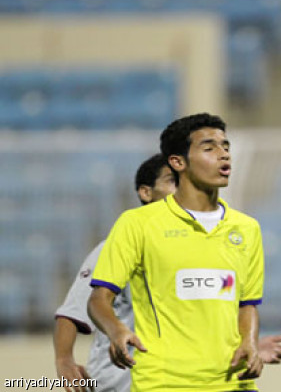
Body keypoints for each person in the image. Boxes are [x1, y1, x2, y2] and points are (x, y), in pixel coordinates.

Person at [54, 154, 281, 392]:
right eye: (172, 181)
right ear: (146, 193)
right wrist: (64, 360)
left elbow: (197, 326)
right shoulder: (115, 246)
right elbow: (73, 311)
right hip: (118, 382)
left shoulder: (204, 249)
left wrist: (247, 346)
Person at [88, 114, 266, 391]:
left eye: (226, 146)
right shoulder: (137, 224)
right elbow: (99, 299)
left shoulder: (247, 228)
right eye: (209, 148)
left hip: (234, 382)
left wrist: (250, 343)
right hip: (163, 382)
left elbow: (247, 304)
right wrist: (117, 330)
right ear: (178, 162)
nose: (224, 155)